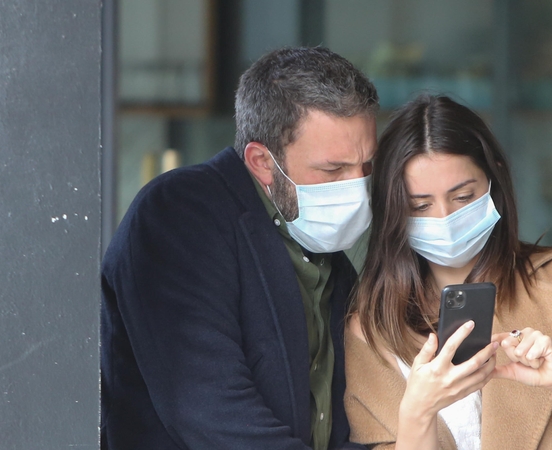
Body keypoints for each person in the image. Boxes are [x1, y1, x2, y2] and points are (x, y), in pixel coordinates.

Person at [345, 94, 552, 450]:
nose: (444, 218)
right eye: (420, 205)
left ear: (494, 182)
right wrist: (417, 413)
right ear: (393, 212)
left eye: (463, 197)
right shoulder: (372, 331)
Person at [101, 46, 378, 449]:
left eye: (366, 166)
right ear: (262, 162)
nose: (356, 188)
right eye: (333, 170)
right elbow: (208, 411)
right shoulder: (179, 213)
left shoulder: (313, 234)